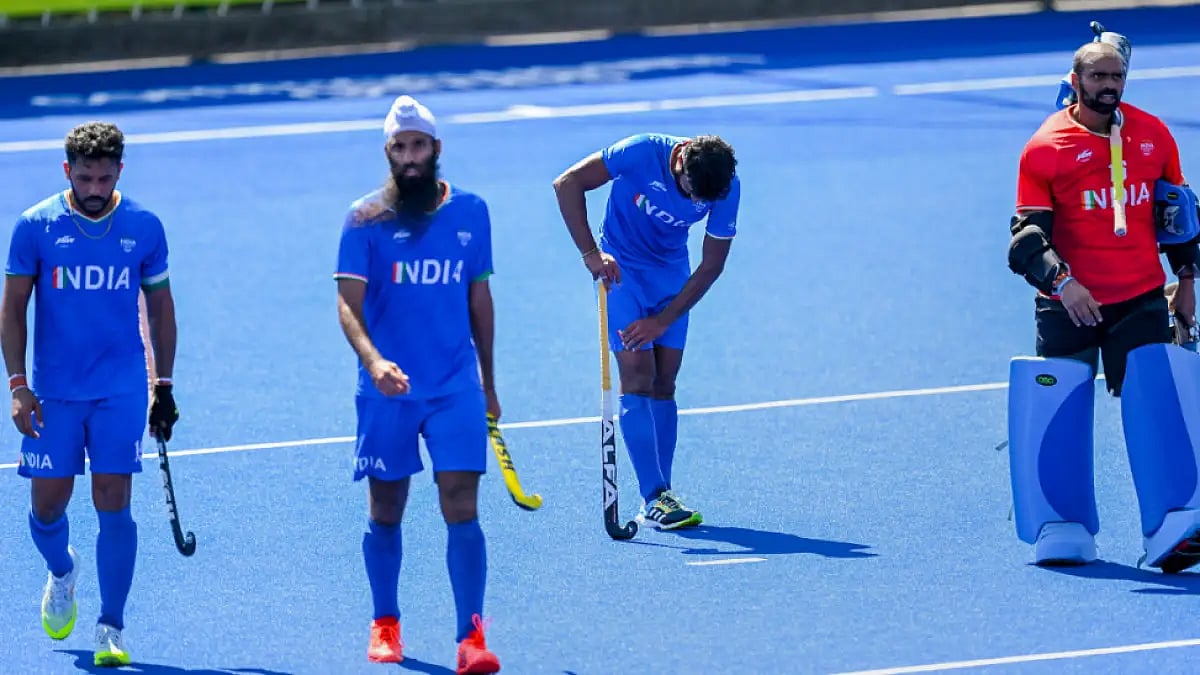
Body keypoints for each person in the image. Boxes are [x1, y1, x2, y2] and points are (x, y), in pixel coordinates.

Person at [1006, 39, 1200, 572]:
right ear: (1075, 80)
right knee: (1061, 408)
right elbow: (1026, 241)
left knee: (1157, 403)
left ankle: (1171, 520)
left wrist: (1185, 280)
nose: (1109, 85)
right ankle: (1061, 522)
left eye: (1116, 76)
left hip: (1139, 297)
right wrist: (1064, 283)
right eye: (1098, 77)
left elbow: (1178, 216)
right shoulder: (1046, 146)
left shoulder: (1153, 134)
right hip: (1069, 303)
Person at [1, 121, 180, 666]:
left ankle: (111, 626)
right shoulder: (35, 226)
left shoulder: (144, 227)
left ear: (119, 171)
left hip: (119, 389)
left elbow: (160, 309)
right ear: (67, 173)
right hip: (55, 392)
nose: (96, 188)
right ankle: (62, 571)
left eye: (105, 177)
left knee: (114, 502)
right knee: (47, 508)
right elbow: (12, 309)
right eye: (85, 178)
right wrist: (18, 384)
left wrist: (164, 386)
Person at [333, 95, 500, 674]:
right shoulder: (363, 219)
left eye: (418, 145)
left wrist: (490, 382)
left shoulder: (472, 212)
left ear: (436, 149)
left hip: (456, 387)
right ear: (388, 152)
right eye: (399, 147)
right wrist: (375, 362)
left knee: (462, 505)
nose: (409, 156)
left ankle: (471, 639)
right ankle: (385, 623)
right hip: (387, 392)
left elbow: (480, 299)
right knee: (386, 508)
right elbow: (347, 305)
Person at [553, 132, 740, 530]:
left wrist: (664, 319)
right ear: (681, 162)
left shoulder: (724, 185)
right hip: (620, 270)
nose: (694, 204)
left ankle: (661, 496)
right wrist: (591, 253)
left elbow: (711, 266)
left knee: (665, 384)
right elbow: (567, 184)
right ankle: (654, 495)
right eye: (690, 192)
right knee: (638, 377)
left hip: (670, 276)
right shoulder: (640, 152)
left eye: (701, 202)